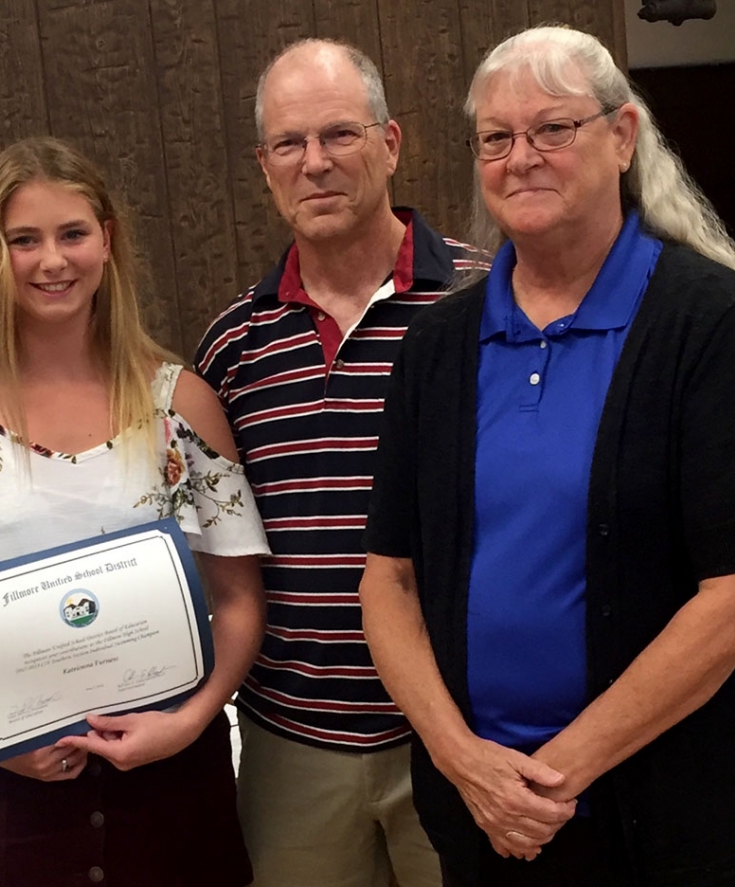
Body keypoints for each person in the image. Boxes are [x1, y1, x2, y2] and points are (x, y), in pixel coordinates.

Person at [360, 24, 735, 887]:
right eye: (496, 138)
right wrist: (468, 764)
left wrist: (555, 774)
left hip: (679, 824)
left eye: (552, 129)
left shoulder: (709, 322)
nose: (520, 156)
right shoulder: (439, 346)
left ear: (623, 136)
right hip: (486, 820)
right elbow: (387, 580)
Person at [0, 136, 268, 887]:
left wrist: (191, 718)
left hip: (175, 784)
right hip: (20, 795)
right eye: (25, 240)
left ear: (107, 242)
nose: (53, 260)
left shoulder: (178, 407)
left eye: (73, 233)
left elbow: (240, 597)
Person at [195, 38, 487, 887]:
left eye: (339, 136)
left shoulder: (486, 303)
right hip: (294, 747)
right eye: (289, 144)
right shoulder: (233, 345)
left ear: (390, 144)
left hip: (459, 732)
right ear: (264, 165)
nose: (314, 163)